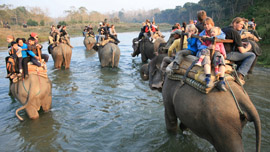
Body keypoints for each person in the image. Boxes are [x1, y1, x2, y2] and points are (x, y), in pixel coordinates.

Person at [222, 17, 255, 85]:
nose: (242, 26)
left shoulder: (224, 29)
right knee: (252, 55)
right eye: (240, 24)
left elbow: (229, 40)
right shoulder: (235, 32)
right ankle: (240, 75)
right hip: (228, 54)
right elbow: (242, 51)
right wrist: (248, 48)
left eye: (243, 25)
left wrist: (240, 43)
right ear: (234, 23)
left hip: (221, 51)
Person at [195, 17, 225, 88]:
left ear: (212, 24)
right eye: (205, 25)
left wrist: (213, 38)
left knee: (220, 58)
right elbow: (199, 46)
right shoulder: (202, 34)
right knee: (206, 58)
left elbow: (223, 36)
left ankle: (221, 80)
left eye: (208, 24)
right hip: (205, 51)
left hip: (216, 50)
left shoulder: (217, 30)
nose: (206, 26)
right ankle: (208, 78)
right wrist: (208, 47)